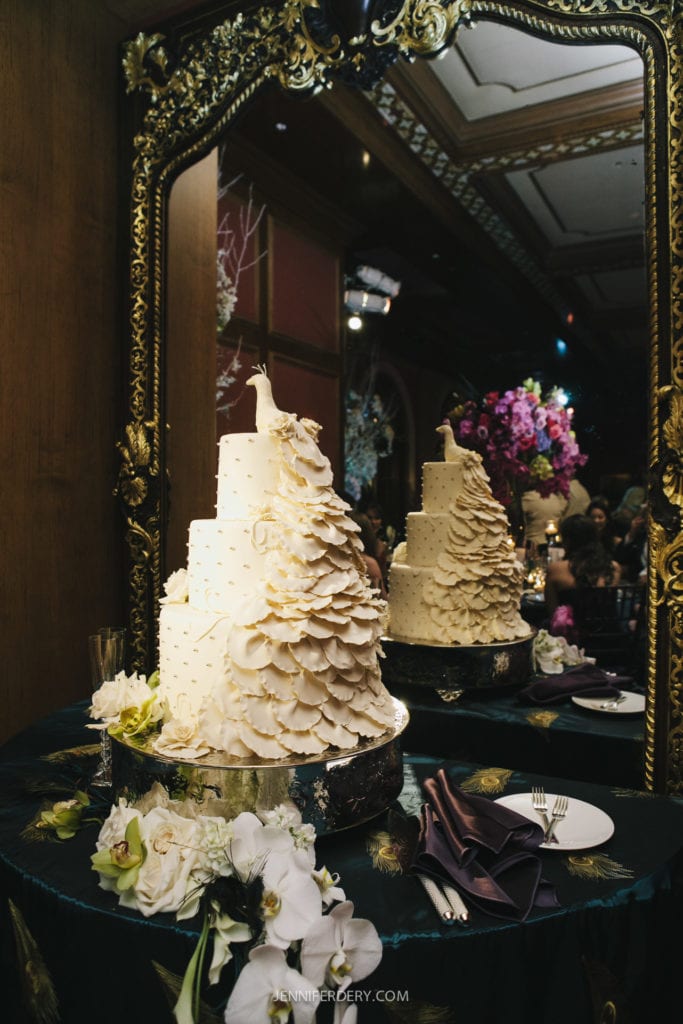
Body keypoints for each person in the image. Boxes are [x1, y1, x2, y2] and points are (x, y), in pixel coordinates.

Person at [545, 514, 622, 616]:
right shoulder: (614, 567)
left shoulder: (555, 569)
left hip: (568, 630)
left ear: (567, 541)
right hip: (608, 630)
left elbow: (553, 613)